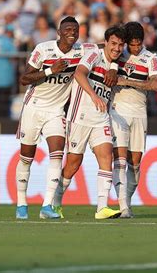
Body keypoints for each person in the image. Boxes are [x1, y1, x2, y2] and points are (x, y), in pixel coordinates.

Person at [15, 16, 90, 220]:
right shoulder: (43, 49)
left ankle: (47, 205)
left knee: (57, 154)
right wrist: (50, 70)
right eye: (67, 29)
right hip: (34, 107)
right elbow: (24, 78)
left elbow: (104, 46)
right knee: (26, 157)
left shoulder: (81, 51)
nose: (71, 32)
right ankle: (21, 203)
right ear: (59, 32)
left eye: (75, 29)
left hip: (56, 111)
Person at [52, 25, 125, 220]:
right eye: (113, 44)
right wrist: (93, 96)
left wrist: (114, 67)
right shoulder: (93, 55)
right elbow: (79, 74)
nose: (117, 48)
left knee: (106, 157)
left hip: (101, 119)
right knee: (73, 164)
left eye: (120, 45)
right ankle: (55, 200)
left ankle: (102, 207)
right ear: (106, 42)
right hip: (79, 117)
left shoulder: (117, 64)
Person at [109, 22, 157, 218]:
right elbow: (101, 46)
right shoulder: (117, 53)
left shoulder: (150, 58)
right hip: (117, 109)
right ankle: (124, 207)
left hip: (139, 111)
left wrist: (126, 81)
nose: (135, 48)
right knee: (120, 160)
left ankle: (126, 201)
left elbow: (156, 85)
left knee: (135, 163)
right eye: (132, 44)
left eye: (139, 44)